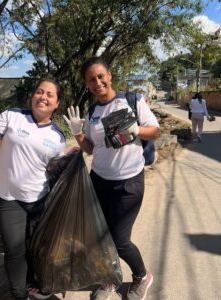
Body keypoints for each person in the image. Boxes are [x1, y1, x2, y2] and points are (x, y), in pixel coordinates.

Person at [63, 57, 160, 300]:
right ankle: (109, 278)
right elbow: (91, 149)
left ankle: (141, 276)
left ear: (110, 76)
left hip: (129, 181)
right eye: (91, 80)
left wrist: (136, 130)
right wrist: (77, 133)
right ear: (86, 84)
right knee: (100, 237)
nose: (97, 83)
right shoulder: (93, 111)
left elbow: (155, 131)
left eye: (100, 77)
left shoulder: (132, 100)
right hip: (99, 181)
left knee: (119, 240)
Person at [0, 79, 66, 300]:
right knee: (14, 251)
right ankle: (19, 295)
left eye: (50, 95)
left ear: (57, 104)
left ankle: (36, 284)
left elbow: (55, 173)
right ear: (32, 96)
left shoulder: (58, 136)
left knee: (37, 249)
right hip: (10, 200)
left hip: (40, 201)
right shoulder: (13, 115)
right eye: (39, 91)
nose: (43, 97)